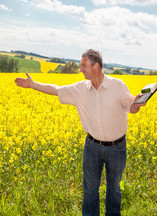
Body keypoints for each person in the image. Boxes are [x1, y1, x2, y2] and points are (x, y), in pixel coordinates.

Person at [15, 49, 146, 216]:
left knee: (114, 188)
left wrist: (137, 103)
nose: (81, 69)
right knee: (90, 189)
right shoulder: (79, 89)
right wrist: (33, 85)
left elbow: (131, 107)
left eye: (84, 65)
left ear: (96, 66)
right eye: (80, 65)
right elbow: (56, 89)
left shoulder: (117, 85)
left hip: (117, 147)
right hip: (92, 147)